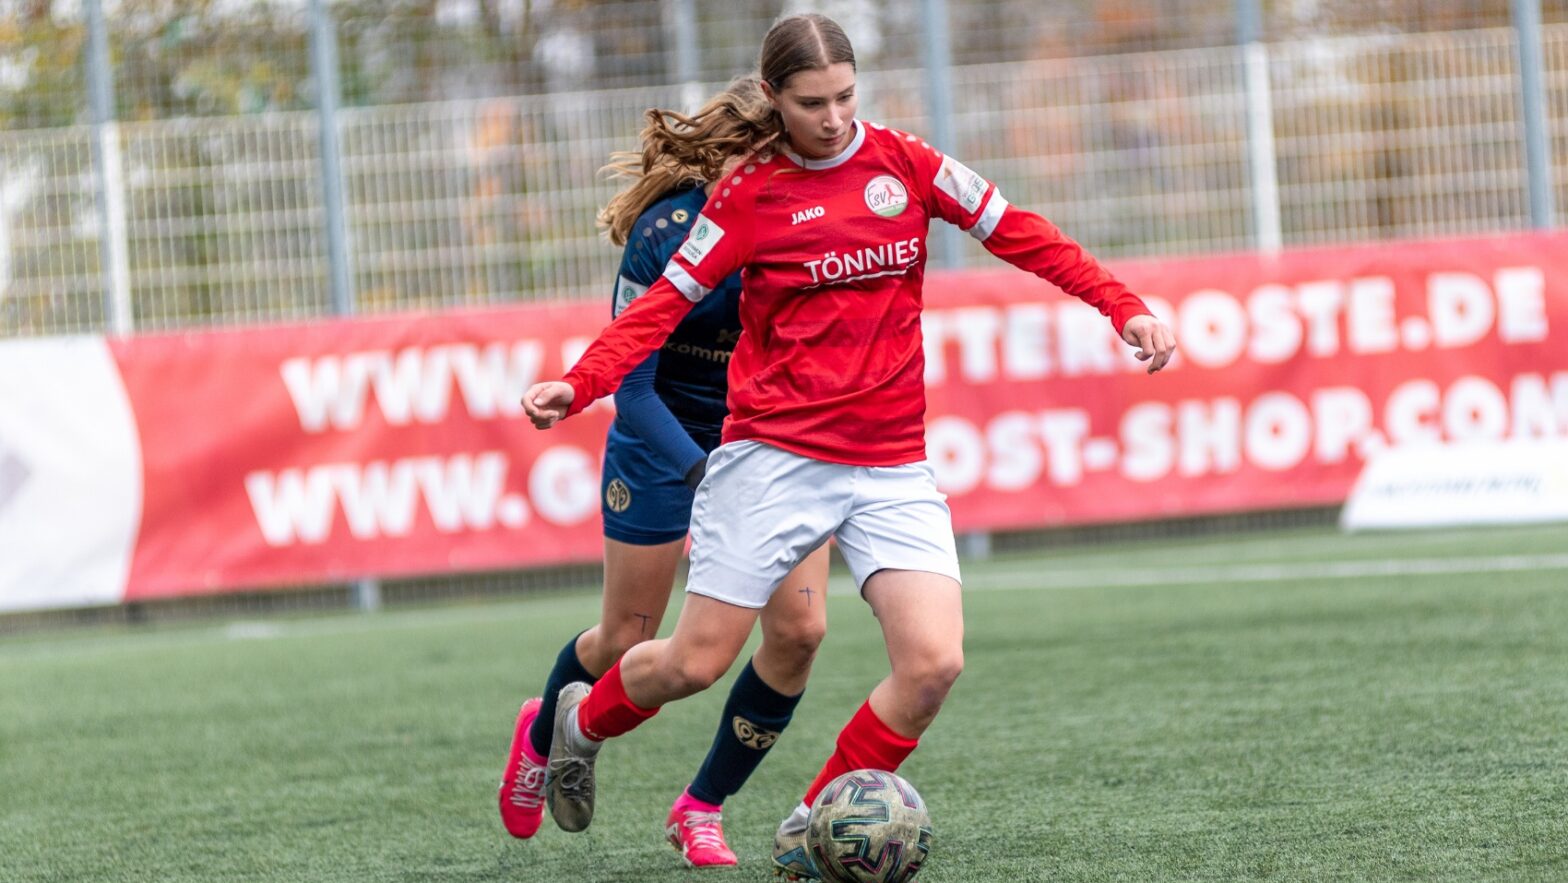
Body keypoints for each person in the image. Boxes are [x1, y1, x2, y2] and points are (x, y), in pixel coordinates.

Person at [522, 13, 1177, 879]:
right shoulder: (748, 196)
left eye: (844, 97)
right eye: (810, 103)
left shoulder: (906, 164)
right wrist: (581, 381)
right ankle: (580, 723)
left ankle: (806, 826)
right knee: (695, 661)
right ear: (772, 99)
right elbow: (660, 309)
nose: (832, 118)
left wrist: (1123, 304)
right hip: (771, 461)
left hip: (892, 463)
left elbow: (1019, 230)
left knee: (935, 662)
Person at [497, 76, 831, 870]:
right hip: (663, 441)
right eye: (777, 149)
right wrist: (702, 469)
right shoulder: (667, 230)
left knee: (801, 630)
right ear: (734, 155)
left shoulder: (811, 224)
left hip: (769, 445)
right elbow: (634, 385)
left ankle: (700, 808)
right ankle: (545, 732)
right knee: (626, 638)